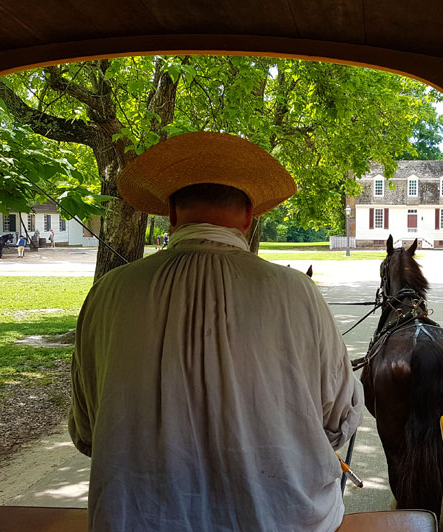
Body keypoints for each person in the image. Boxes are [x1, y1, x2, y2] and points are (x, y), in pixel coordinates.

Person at [69, 132, 363, 532]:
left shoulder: (109, 292)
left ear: (171, 213)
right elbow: (338, 419)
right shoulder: (297, 292)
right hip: (283, 522)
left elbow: (86, 433)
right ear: (248, 217)